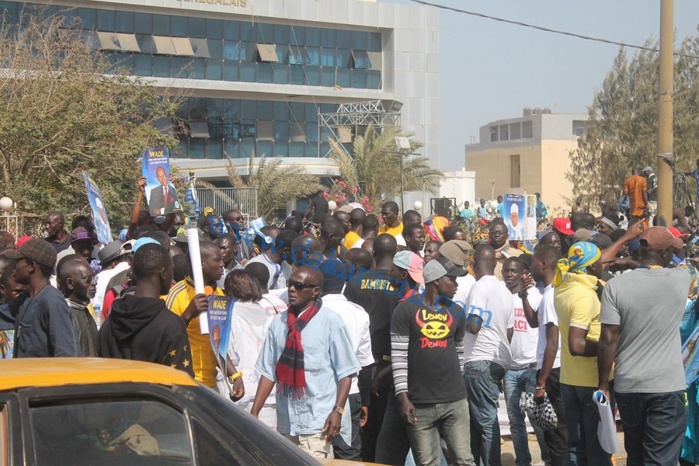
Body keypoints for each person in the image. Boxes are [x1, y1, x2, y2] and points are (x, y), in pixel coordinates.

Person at [598, 227, 687, 465]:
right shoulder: (681, 279)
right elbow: (681, 265)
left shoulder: (615, 287)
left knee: (635, 455)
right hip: (666, 387)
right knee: (660, 459)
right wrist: (632, 263)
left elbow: (608, 339)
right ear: (666, 254)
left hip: (628, 387)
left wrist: (603, 383)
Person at [251, 266, 360, 459]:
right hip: (287, 421)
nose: (292, 289)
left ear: (315, 291)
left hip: (318, 421)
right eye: (290, 284)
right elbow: (269, 372)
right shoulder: (279, 322)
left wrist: (338, 411)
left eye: (299, 286)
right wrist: (253, 414)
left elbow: (346, 373)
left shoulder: (331, 322)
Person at [391, 256, 476, 466]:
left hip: (454, 401)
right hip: (419, 404)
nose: (456, 285)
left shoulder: (457, 311)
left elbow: (458, 353)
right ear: (436, 280)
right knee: (427, 463)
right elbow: (399, 356)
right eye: (452, 280)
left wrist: (459, 387)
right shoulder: (405, 310)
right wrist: (403, 397)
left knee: (464, 460)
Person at [553, 241, 612, 466]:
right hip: (592, 382)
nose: (602, 264)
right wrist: (609, 348)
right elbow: (577, 344)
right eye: (598, 260)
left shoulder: (563, 286)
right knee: (597, 446)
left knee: (576, 447)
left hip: (569, 379)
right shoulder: (584, 296)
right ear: (591, 267)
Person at [343, 233, 399, 462]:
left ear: (373, 253)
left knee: (364, 423)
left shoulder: (355, 283)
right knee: (387, 425)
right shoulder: (402, 284)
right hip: (391, 362)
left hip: (360, 362)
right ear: (395, 254)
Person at [99, 243, 194, 376]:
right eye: (171, 270)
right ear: (163, 273)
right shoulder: (171, 326)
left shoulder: (109, 324)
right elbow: (181, 382)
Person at [463, 245, 514, 465]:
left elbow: (474, 325)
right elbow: (509, 331)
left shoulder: (478, 287)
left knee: (484, 421)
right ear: (495, 264)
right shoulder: (505, 291)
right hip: (497, 360)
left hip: (479, 360)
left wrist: (455, 320)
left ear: (473, 265)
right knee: (479, 421)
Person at [319, 259, 373, 461]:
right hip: (350, 394)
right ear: (344, 283)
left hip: (316, 393)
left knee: (312, 452)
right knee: (348, 455)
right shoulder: (358, 313)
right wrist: (365, 401)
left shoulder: (311, 311)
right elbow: (365, 362)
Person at [521, 245, 567, 466]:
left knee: (555, 432)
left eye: (533, 263)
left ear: (545, 264)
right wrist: (523, 296)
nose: (530, 268)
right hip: (550, 369)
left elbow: (552, 342)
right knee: (552, 430)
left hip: (553, 370)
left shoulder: (551, 297)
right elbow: (533, 322)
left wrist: (541, 383)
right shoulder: (548, 293)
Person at [502, 257, 550, 466]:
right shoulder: (500, 297)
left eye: (514, 271)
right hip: (510, 370)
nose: (509, 274)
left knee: (536, 419)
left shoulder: (537, 296)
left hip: (531, 367)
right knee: (515, 422)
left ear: (524, 273)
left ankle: (548, 459)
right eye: (506, 270)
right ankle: (523, 461)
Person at [166, 241, 225, 387]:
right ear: (202, 264)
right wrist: (189, 313)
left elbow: (218, 342)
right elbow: (166, 338)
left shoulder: (219, 294)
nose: (222, 264)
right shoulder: (177, 294)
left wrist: (234, 375)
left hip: (211, 382)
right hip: (186, 381)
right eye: (217, 260)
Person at [5, 239, 78, 357]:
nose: (13, 268)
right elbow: (4, 313)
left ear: (31, 266)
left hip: (44, 375)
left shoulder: (52, 301)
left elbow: (66, 353)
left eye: (18, 262)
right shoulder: (24, 299)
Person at [58, 258, 99, 357]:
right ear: (70, 283)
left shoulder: (83, 309)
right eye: (88, 279)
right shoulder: (63, 315)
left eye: (94, 277)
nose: (94, 283)